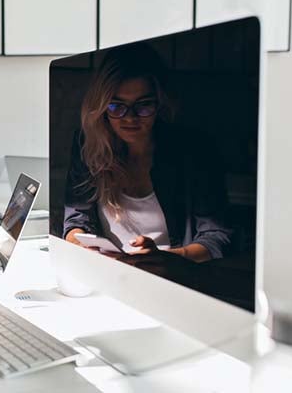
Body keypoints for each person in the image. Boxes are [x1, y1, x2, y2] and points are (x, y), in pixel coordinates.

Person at [63, 43, 232, 263]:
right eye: (117, 107)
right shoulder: (88, 145)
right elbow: (76, 220)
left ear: (159, 102)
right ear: (102, 107)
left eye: (143, 106)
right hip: (106, 273)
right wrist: (80, 246)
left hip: (172, 278)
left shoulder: (193, 151)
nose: (130, 118)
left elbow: (217, 238)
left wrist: (163, 258)